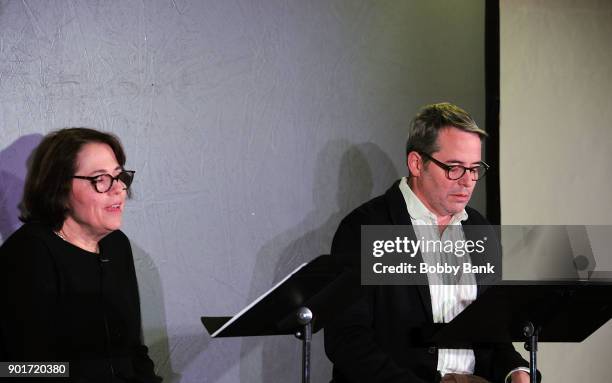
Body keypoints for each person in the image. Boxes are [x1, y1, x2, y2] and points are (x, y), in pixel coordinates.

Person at [324, 103, 538, 383]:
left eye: (475, 169)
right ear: (416, 163)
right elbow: (347, 341)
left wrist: (515, 370)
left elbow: (492, 332)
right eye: (454, 168)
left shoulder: (479, 229)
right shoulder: (364, 228)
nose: (467, 182)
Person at [0, 128, 161, 382]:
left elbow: (133, 351)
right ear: (59, 189)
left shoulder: (116, 245)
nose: (118, 189)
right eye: (101, 179)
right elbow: (19, 368)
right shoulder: (28, 253)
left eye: (118, 177)